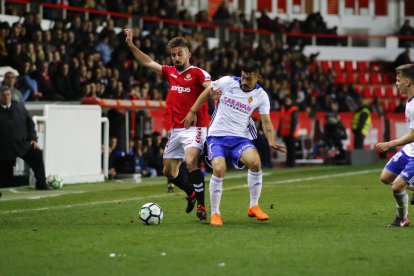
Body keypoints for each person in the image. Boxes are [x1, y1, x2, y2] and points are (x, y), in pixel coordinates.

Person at [182, 58, 286, 226]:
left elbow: (266, 122)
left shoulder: (261, 96)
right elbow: (207, 91)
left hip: (240, 139)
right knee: (219, 168)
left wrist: (271, 141)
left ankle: (254, 206)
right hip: (217, 137)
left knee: (255, 162)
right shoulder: (227, 82)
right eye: (243, 76)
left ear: (258, 77)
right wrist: (192, 111)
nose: (244, 81)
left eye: (249, 78)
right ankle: (215, 213)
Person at [124, 28, 211, 220]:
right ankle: (191, 193)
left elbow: (211, 89)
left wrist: (193, 110)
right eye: (173, 55)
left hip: (196, 127)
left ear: (189, 53)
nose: (176, 58)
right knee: (168, 171)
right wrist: (131, 45)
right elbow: (148, 62)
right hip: (178, 129)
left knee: (190, 161)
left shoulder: (198, 73)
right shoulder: (170, 72)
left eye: (180, 54)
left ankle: (203, 207)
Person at [376, 64, 414, 227]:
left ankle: (402, 218)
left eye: (398, 80)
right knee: (386, 177)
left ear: (407, 82)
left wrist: (390, 144)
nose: (396, 83)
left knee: (397, 187)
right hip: (410, 149)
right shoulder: (410, 101)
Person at [0, 85, 49, 189]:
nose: (6, 97)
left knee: (36, 154)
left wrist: (33, 139)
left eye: (8, 94)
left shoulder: (19, 107)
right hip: (4, 149)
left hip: (22, 144)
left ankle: (41, 184)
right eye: (3, 95)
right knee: (4, 180)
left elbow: (30, 123)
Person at [278, 96, 298, 167]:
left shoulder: (293, 110)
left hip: (291, 134)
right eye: (286, 100)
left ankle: (291, 163)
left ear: (291, 101)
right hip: (285, 133)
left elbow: (294, 123)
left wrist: (291, 133)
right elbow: (281, 122)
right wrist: (279, 131)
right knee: (288, 149)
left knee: (291, 149)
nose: (286, 102)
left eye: (288, 100)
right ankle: (288, 163)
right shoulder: (283, 109)